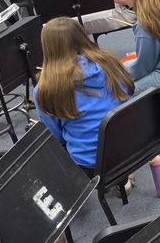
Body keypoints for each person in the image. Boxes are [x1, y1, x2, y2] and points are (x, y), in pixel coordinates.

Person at [34, 17, 134, 174]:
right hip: (131, 147)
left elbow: (55, 137)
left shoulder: (46, 87)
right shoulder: (110, 62)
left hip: (89, 163)